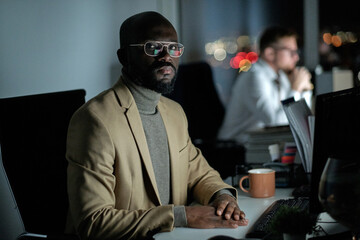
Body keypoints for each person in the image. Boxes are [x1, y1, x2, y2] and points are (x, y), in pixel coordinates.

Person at [65, 11, 248, 240]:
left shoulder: (174, 112)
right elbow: (93, 222)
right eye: (152, 48)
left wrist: (222, 196)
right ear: (124, 56)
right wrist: (182, 216)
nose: (166, 57)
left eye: (173, 48)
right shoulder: (95, 120)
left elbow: (199, 173)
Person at [218, 26, 313, 144]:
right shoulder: (254, 77)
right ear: (270, 53)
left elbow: (301, 120)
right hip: (234, 147)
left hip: (261, 142)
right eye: (291, 52)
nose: (296, 57)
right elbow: (276, 123)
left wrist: (304, 90)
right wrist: (296, 88)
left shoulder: (280, 76)